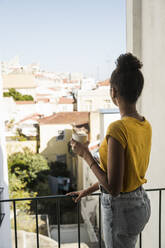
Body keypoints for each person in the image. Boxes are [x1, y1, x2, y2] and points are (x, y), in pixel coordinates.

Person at [67, 53, 152, 248]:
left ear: (113, 92)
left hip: (121, 211)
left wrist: (85, 154)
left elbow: (114, 189)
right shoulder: (144, 125)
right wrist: (88, 190)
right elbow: (122, 175)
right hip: (140, 204)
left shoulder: (118, 129)